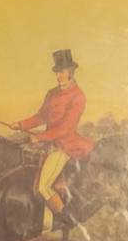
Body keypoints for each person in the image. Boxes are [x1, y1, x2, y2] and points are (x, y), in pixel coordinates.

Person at [11, 48, 94, 229]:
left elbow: (65, 128)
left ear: (71, 72)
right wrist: (21, 124)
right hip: (48, 143)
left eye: (62, 72)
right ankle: (41, 220)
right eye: (57, 72)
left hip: (65, 146)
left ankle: (66, 219)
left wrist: (40, 137)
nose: (58, 76)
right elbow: (41, 116)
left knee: (43, 187)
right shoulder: (51, 93)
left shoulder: (78, 96)